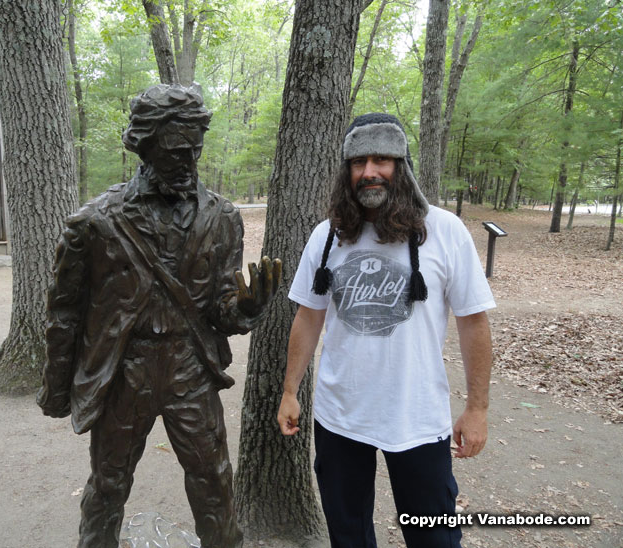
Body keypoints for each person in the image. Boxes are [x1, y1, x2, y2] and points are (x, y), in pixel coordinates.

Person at [36, 84, 280, 548]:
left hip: (190, 369)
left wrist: (246, 307)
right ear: (144, 147)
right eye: (175, 153)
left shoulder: (222, 217)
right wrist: (56, 390)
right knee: (108, 483)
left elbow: (220, 307)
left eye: (194, 151)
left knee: (214, 480)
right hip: (125, 370)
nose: (188, 164)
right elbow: (63, 314)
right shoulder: (95, 222)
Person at [277, 113, 494, 548]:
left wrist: (477, 409)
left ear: (402, 166)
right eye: (358, 162)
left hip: (417, 418)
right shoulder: (328, 236)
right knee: (349, 535)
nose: (369, 171)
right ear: (346, 171)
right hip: (340, 418)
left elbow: (474, 322)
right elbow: (308, 316)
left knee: (433, 539)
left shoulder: (444, 231)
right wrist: (289, 390)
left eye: (382, 159)